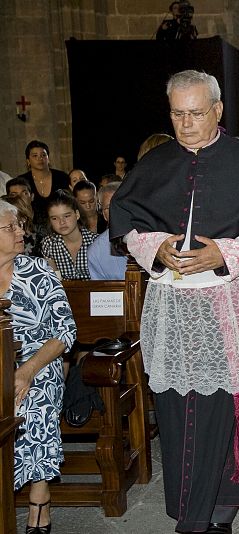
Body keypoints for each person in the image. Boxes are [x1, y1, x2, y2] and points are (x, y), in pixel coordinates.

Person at [110, 69, 239, 534]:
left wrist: (223, 253)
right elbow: (127, 223)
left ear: (217, 110)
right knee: (176, 409)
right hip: (171, 311)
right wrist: (156, 247)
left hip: (225, 305)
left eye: (196, 113)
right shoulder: (155, 164)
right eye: (178, 114)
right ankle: (194, 510)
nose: (187, 124)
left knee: (221, 409)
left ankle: (218, 513)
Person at [1, 198, 76, 533]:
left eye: (20, 224)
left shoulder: (38, 270)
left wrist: (26, 371)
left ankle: (39, 500)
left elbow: (65, 331)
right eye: (10, 227)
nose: (21, 231)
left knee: (33, 400)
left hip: (39, 359)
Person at [40, 190, 97, 280]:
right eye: (54, 218)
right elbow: (56, 281)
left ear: (77, 215)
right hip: (63, 292)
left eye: (66, 216)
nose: (61, 222)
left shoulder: (96, 241)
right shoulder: (49, 244)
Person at [16, 140, 71, 231]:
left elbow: (69, 203)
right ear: (28, 161)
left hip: (61, 225)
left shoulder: (62, 177)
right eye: (35, 156)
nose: (40, 158)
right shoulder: (22, 181)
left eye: (43, 155)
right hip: (32, 229)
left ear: (48, 158)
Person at [88, 182, 127, 279]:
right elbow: (101, 292)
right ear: (104, 215)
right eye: (109, 207)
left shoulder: (154, 236)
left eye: (120, 204)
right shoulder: (96, 252)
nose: (116, 210)